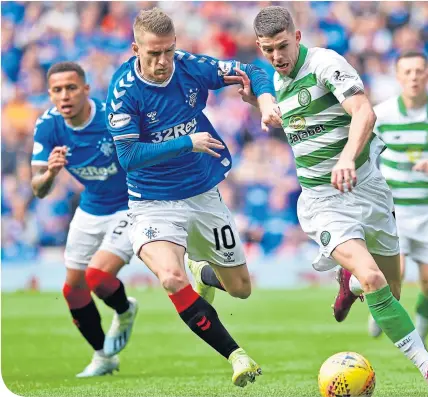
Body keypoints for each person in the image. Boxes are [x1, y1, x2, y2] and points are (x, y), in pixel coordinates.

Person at [231, 6, 428, 395]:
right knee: (375, 279)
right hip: (322, 200)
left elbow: (363, 112)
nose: (277, 57)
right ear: (259, 47)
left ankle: (349, 286)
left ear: (298, 38)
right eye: (268, 50)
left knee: (391, 294)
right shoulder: (270, 82)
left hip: (367, 188)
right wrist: (258, 105)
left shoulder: (324, 63)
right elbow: (294, 117)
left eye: (283, 46)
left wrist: (348, 157)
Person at [105, 8, 280, 388]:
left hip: (202, 194)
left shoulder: (189, 66)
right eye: (153, 53)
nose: (163, 61)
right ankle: (238, 356)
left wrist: (266, 102)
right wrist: (188, 142)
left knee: (241, 290)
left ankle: (201, 272)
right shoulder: (123, 92)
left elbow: (254, 69)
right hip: (153, 201)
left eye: (168, 51)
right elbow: (129, 156)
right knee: (169, 277)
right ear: (135, 49)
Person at [31, 62, 139, 378]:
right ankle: (103, 357)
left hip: (130, 205)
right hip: (92, 207)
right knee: (72, 290)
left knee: (98, 278)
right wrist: (50, 172)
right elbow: (37, 189)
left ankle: (124, 309)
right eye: (57, 90)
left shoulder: (111, 118)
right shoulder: (48, 126)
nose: (64, 96)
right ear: (50, 93)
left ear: (86, 89)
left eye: (71, 88)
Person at [366, 51, 428, 344]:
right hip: (394, 210)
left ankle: (420, 337)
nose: (413, 76)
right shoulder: (382, 114)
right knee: (393, 276)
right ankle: (381, 312)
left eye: (418, 71)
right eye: (407, 71)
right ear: (398, 77)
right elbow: (361, 149)